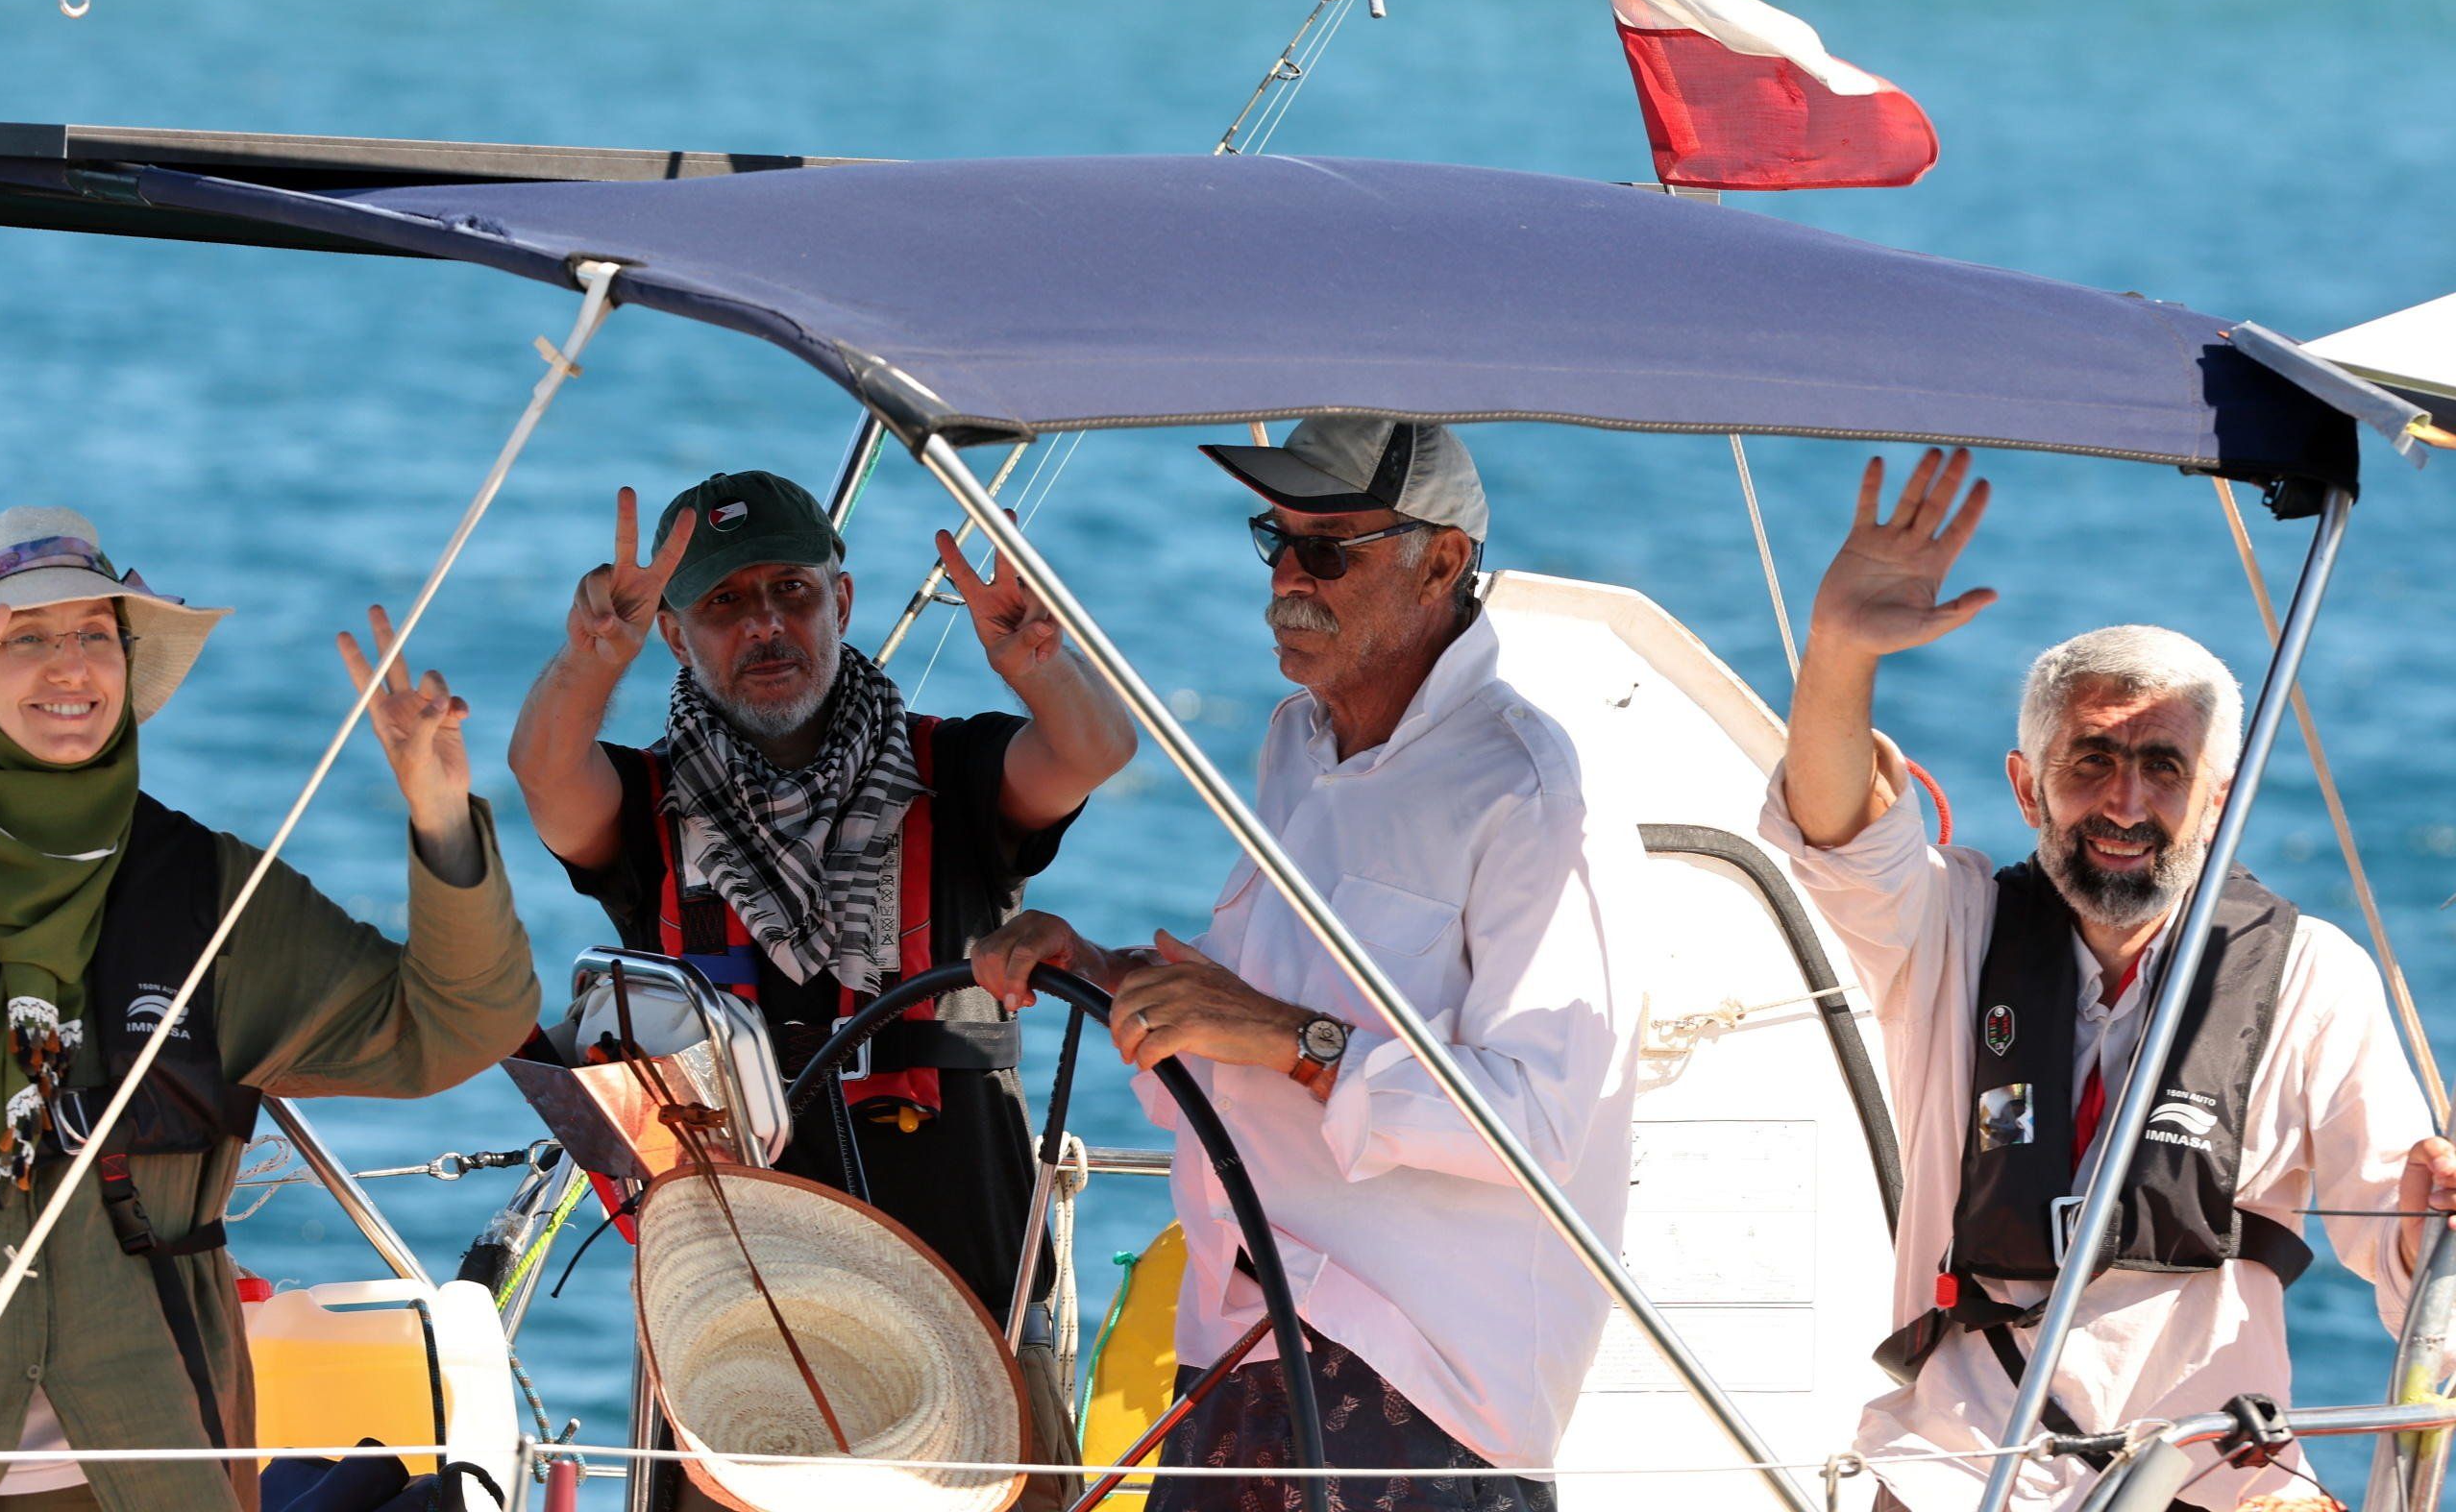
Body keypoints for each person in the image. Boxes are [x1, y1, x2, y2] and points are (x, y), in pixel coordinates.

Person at [0, 506, 542, 1512]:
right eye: (26, 638)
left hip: (148, 1465)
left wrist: (442, 818)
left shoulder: (206, 889)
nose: (72, 667)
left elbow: (456, 1022)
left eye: (97, 634)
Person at [1764, 450, 2456, 1512]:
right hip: (1961, 1463)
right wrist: (1841, 647)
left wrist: (2430, 1205)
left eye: (2164, 766)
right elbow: (1835, 826)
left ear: (2220, 797)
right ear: (2026, 788)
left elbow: (2398, 1241)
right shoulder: (1952, 924)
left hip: (2218, 1472)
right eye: (2089, 759)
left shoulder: (2312, 972)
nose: (2125, 801)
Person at [973, 417, 1643, 1512]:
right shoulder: (1297, 742)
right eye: (1272, 539)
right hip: (1242, 1343)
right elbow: (1231, 1021)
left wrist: (1297, 1042)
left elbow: (1540, 1120)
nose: (1287, 576)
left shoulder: (1530, 791)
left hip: (1417, 1393)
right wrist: (1095, 966)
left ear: (1441, 562)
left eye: (1327, 549)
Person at [504, 469, 1136, 1500]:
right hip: (735, 1352)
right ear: (673, 634)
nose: (765, 625)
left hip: (968, 1319)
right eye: (723, 603)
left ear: (840, 602)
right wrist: (586, 661)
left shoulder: (959, 772)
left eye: (790, 592)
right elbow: (544, 773)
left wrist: (1042, 661)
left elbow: (1092, 747)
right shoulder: (644, 808)